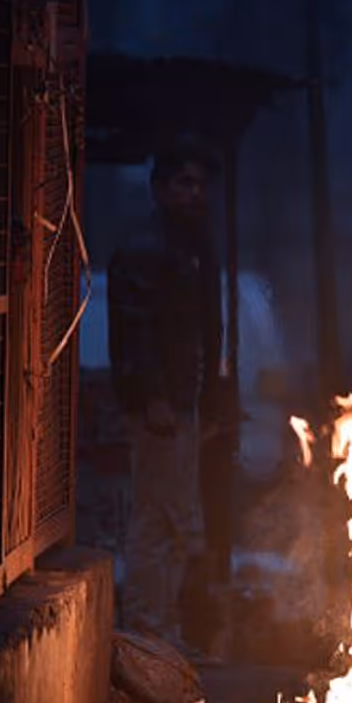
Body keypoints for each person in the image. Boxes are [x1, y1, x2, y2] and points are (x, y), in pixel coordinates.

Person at [107, 137, 225, 649]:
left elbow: (204, 333)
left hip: (181, 405)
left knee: (176, 522)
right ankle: (147, 633)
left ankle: (159, 633)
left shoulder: (192, 246)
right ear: (159, 189)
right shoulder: (145, 249)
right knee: (158, 521)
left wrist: (206, 403)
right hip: (161, 409)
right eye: (184, 183)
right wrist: (153, 398)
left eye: (201, 184)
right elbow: (136, 333)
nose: (195, 193)